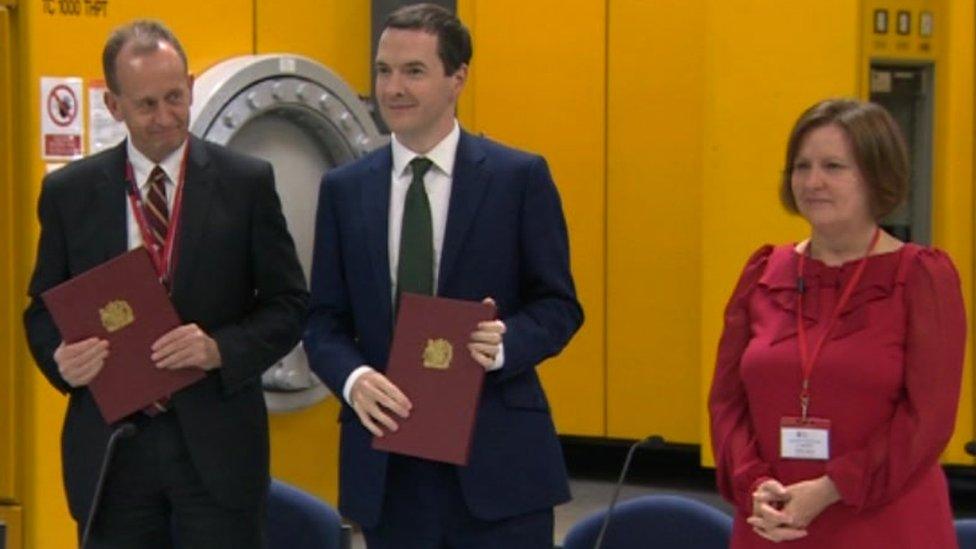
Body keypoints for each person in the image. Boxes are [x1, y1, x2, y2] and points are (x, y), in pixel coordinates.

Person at [303, 3, 583, 548]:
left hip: (498, 465)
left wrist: (504, 343)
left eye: (413, 71)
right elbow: (323, 322)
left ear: (458, 78)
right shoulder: (345, 189)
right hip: (390, 464)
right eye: (383, 71)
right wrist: (354, 380)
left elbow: (559, 306)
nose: (393, 88)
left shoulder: (518, 178)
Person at [23, 20, 308, 548]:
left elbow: (290, 305)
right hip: (114, 449)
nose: (164, 118)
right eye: (146, 104)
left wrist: (219, 349)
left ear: (192, 86)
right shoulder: (70, 194)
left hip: (217, 448)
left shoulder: (246, 183)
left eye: (175, 98)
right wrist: (60, 359)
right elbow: (41, 311)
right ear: (114, 106)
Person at [708, 98, 966, 547]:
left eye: (833, 166)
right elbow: (727, 403)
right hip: (774, 519)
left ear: (877, 175)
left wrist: (832, 488)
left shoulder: (922, 276)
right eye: (801, 166)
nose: (813, 182)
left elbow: (929, 419)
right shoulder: (764, 272)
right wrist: (753, 483)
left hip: (884, 521)